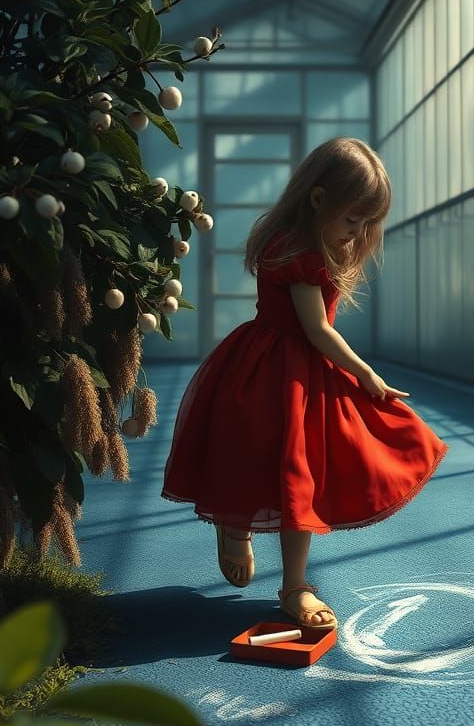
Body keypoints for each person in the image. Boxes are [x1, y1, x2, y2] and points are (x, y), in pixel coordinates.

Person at [160, 137, 449, 632]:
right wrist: (367, 373)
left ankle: (293, 582)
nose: (359, 232)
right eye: (352, 220)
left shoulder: (316, 241)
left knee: (299, 478)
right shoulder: (299, 253)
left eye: (366, 223)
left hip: (289, 368)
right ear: (318, 200)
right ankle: (237, 526)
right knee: (264, 459)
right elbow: (316, 329)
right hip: (280, 371)